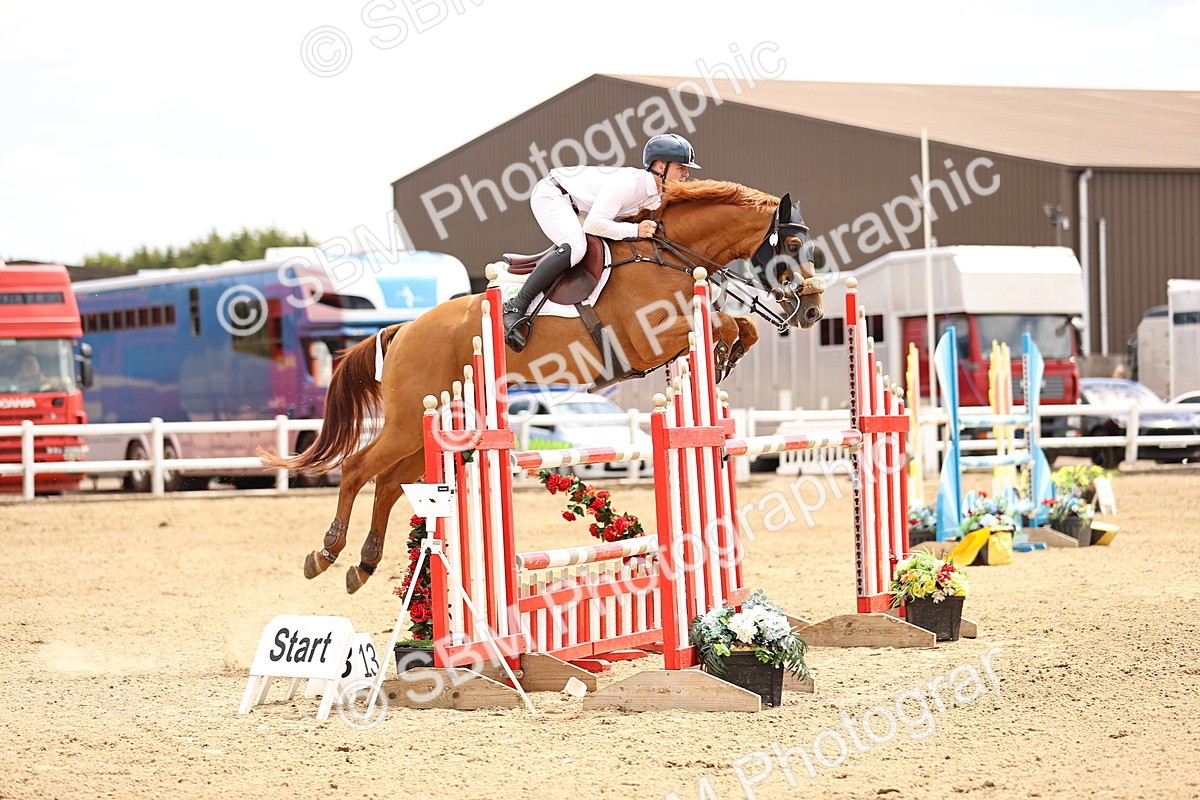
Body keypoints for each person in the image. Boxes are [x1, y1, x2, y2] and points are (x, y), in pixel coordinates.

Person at [502, 133, 702, 351]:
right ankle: (516, 306)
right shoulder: (630, 185)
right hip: (553, 195)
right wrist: (635, 229)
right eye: (681, 167)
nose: (686, 173)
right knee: (576, 248)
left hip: (578, 207)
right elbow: (594, 225)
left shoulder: (654, 195)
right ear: (661, 166)